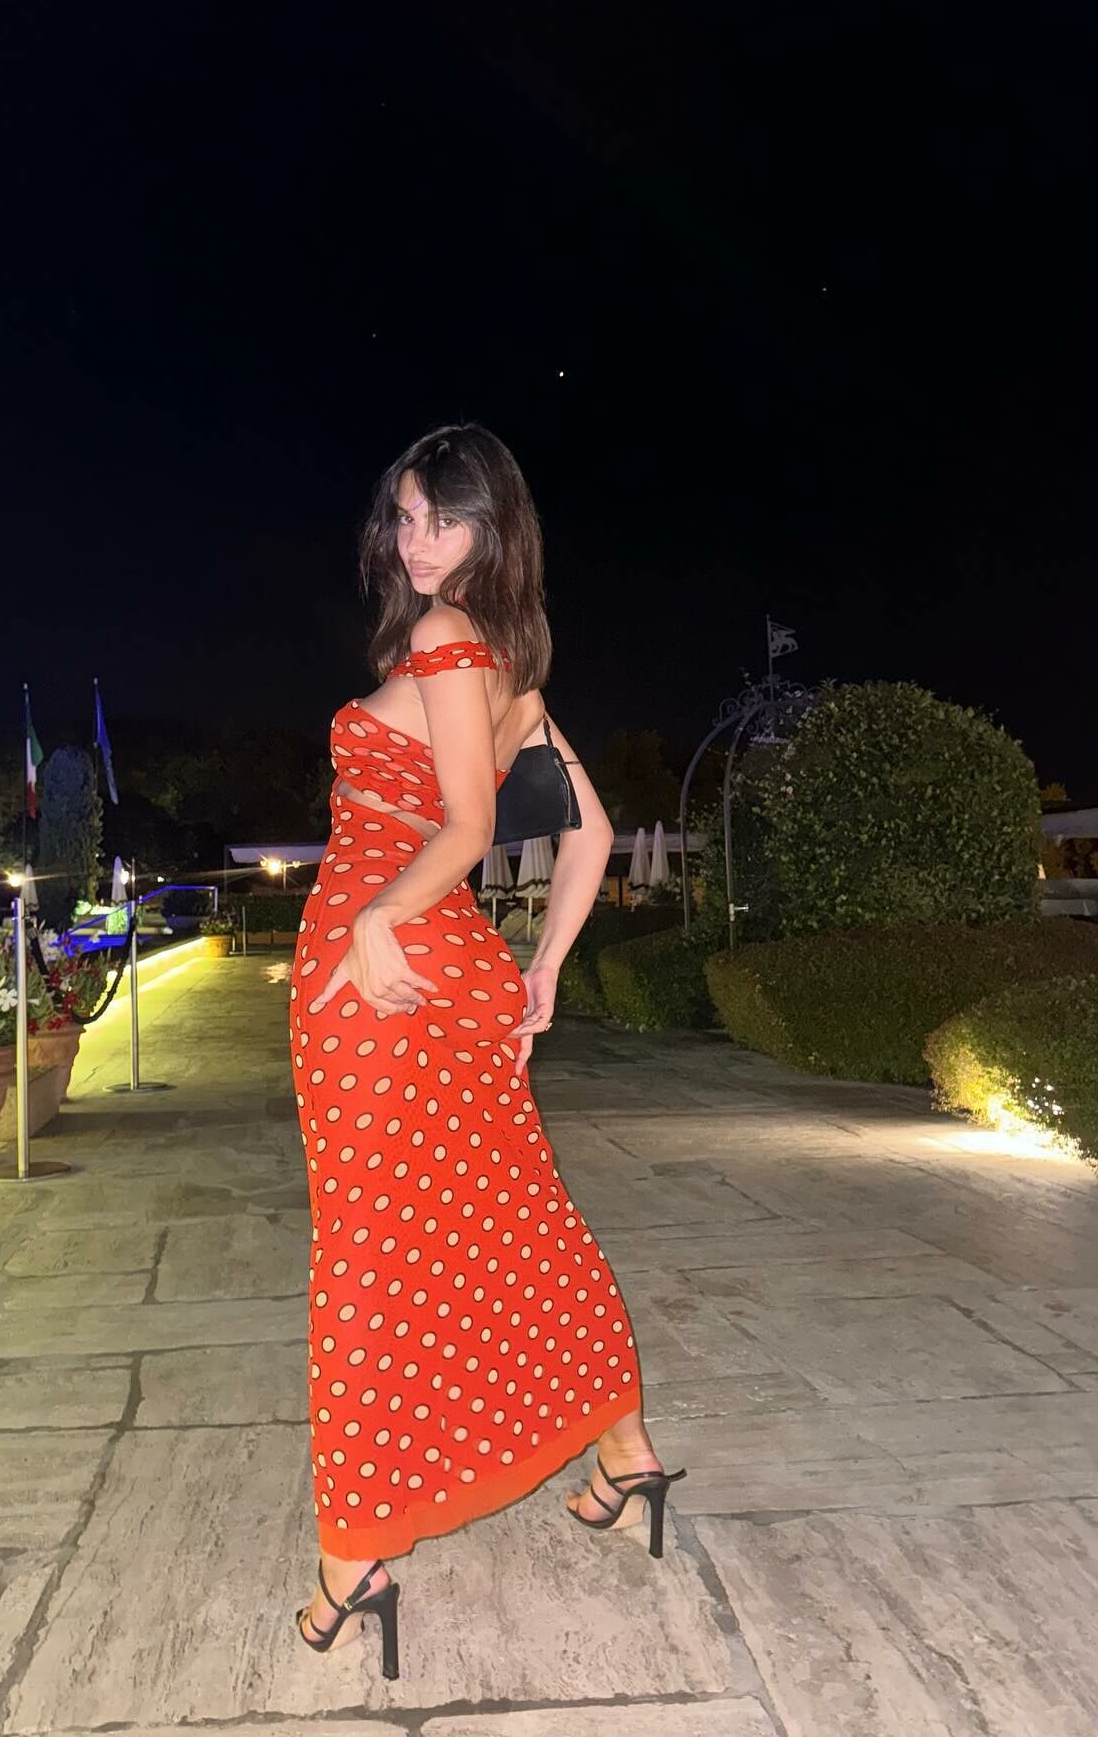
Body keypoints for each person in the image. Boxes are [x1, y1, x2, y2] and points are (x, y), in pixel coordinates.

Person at [290, 424, 684, 1679]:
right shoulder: (515, 665)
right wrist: (546, 967)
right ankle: (624, 1451)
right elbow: (593, 830)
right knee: (512, 1221)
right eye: (406, 516)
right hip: (458, 968)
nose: (418, 542)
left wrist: (373, 917)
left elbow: (466, 827)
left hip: (383, 971)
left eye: (445, 519)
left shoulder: (446, 637)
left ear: (493, 528)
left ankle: (354, 1558)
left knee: (371, 1249)